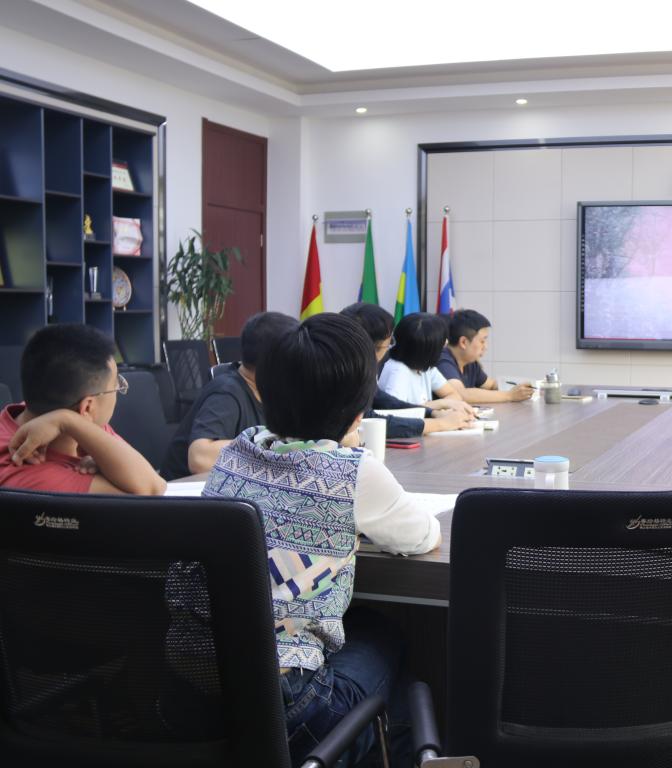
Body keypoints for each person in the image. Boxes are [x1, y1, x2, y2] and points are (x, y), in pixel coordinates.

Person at [203, 312, 445, 767]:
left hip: (192, 696)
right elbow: (424, 536)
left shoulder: (237, 450)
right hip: (289, 709)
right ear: (358, 412)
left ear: (264, 393)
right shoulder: (351, 470)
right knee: (391, 635)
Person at [0, 324, 165, 494]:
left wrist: (65, 421)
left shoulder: (42, 409)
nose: (119, 390)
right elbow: (152, 489)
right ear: (87, 408)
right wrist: (67, 420)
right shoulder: (24, 470)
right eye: (116, 385)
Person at [161, 311, 298, 479]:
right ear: (274, 363)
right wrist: (270, 445)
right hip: (187, 490)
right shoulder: (226, 393)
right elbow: (199, 459)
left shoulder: (273, 390)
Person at [340, 303, 475, 435]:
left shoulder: (358, 368)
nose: (389, 349)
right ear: (369, 347)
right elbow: (370, 419)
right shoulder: (347, 372)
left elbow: (383, 400)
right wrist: (440, 424)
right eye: (388, 343)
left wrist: (431, 413)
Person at [436, 309, 534, 403]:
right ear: (463, 342)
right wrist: (509, 395)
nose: (485, 347)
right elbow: (460, 394)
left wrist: (523, 389)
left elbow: (491, 385)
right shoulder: (443, 359)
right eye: (482, 341)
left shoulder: (469, 361)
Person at [377, 312, 466, 408]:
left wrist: (439, 405)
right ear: (427, 349)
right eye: (441, 341)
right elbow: (396, 411)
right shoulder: (398, 370)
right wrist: (441, 404)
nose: (446, 342)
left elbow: (454, 395)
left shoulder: (425, 367)